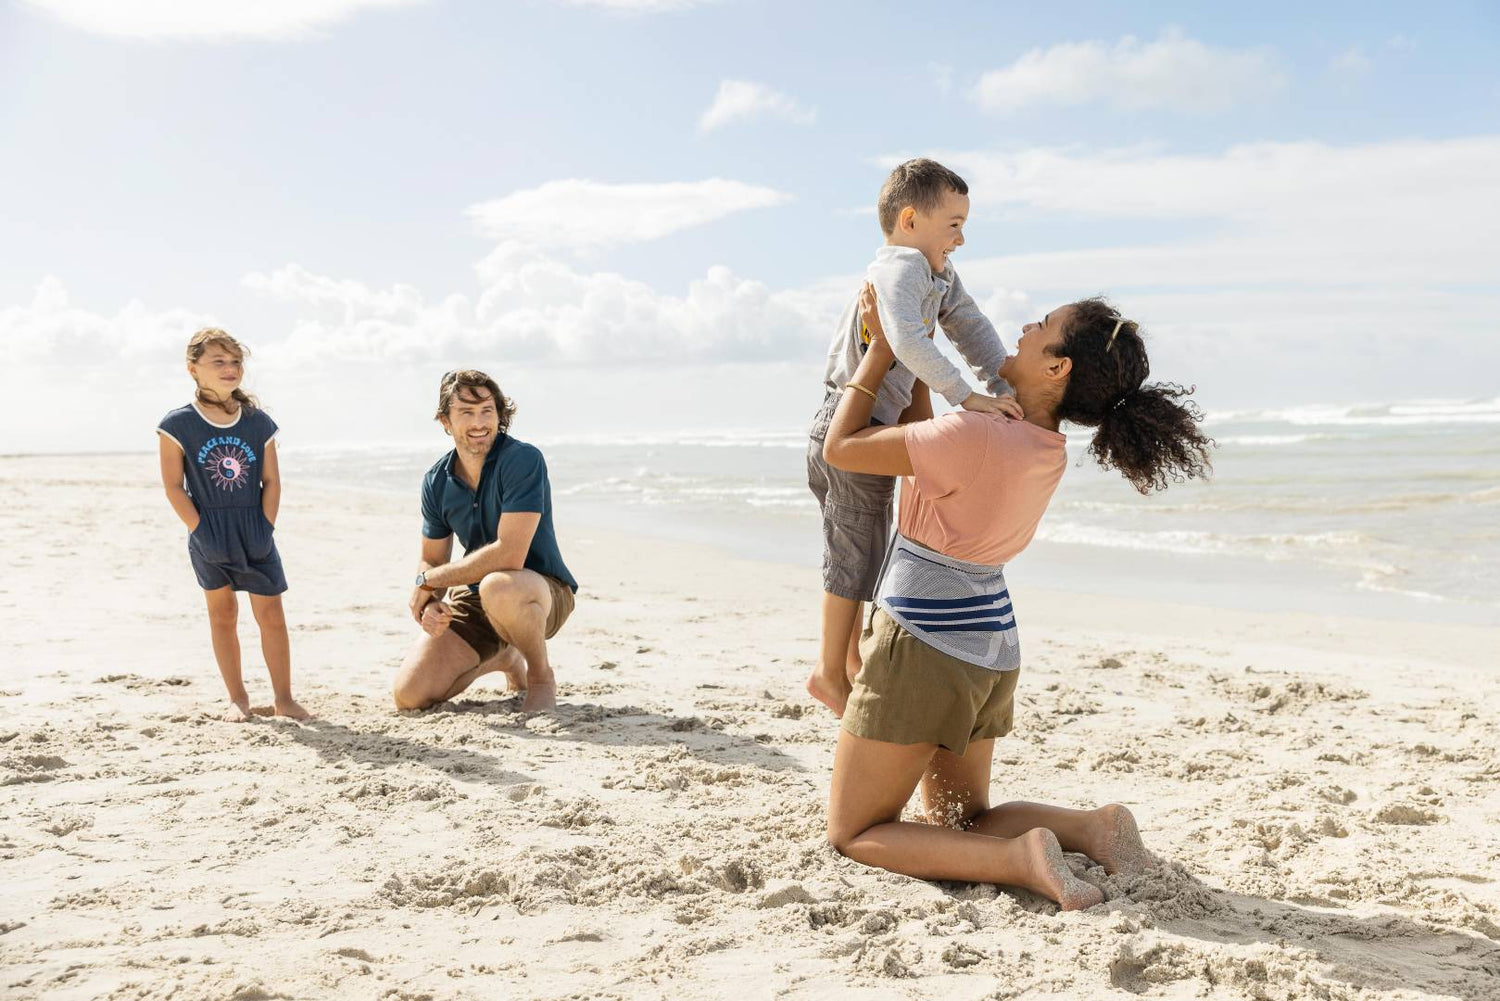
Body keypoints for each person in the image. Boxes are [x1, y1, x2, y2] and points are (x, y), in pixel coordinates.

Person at [822, 285, 1214, 909]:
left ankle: (1018, 858)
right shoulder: (1040, 446)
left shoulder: (975, 435)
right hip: (988, 648)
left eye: (1042, 325)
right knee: (960, 818)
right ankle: (1089, 829)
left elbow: (840, 451)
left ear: (1058, 368)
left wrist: (876, 357)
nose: (1025, 328)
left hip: (923, 645)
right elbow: (931, 442)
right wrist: (917, 358)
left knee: (856, 831)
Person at [807, 158, 1021, 718]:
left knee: (869, 545)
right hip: (850, 420)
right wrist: (966, 396)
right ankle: (829, 672)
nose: (962, 236)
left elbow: (970, 326)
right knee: (852, 553)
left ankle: (850, 663)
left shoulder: (937, 275)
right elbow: (902, 339)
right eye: (953, 224)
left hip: (877, 421)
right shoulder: (899, 270)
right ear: (909, 220)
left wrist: (1003, 383)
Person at [391, 370, 578, 712]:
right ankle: (504, 656)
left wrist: (432, 580)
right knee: (410, 695)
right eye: (466, 412)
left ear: (499, 416)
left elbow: (510, 553)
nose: (479, 422)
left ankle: (539, 678)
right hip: (477, 597)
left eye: (487, 411)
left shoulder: (522, 460)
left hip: (542, 593)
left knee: (499, 586)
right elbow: (431, 559)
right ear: (445, 422)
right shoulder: (436, 481)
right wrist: (430, 599)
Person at [156, 328, 309, 722]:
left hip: (254, 529)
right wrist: (200, 530)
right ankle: (237, 698)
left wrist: (266, 527)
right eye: (218, 362)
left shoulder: (258, 422)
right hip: (208, 529)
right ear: (193, 369)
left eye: (235, 362)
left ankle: (284, 699)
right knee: (222, 615)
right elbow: (173, 486)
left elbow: (271, 481)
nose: (230, 369)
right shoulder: (178, 424)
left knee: (272, 616)